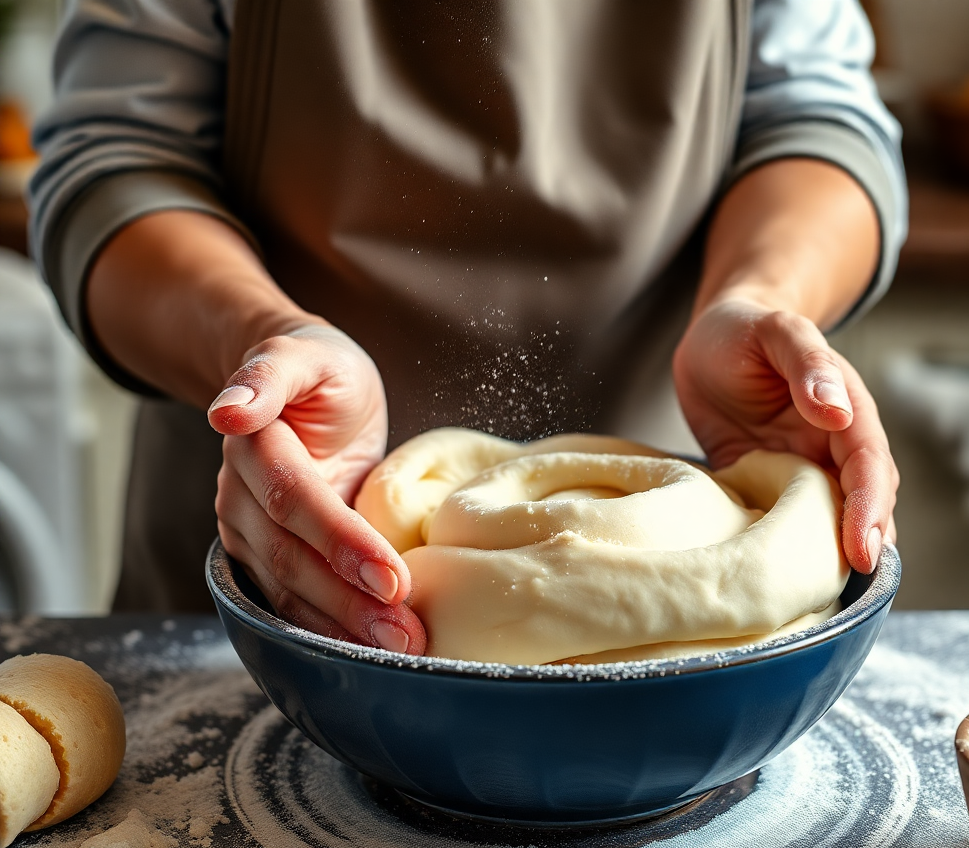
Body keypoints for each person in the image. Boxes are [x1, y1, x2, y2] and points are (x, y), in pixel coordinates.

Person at [31, 0, 904, 656]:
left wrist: (756, 295)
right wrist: (257, 336)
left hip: (701, 504)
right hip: (276, 554)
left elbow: (815, 119)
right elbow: (119, 158)